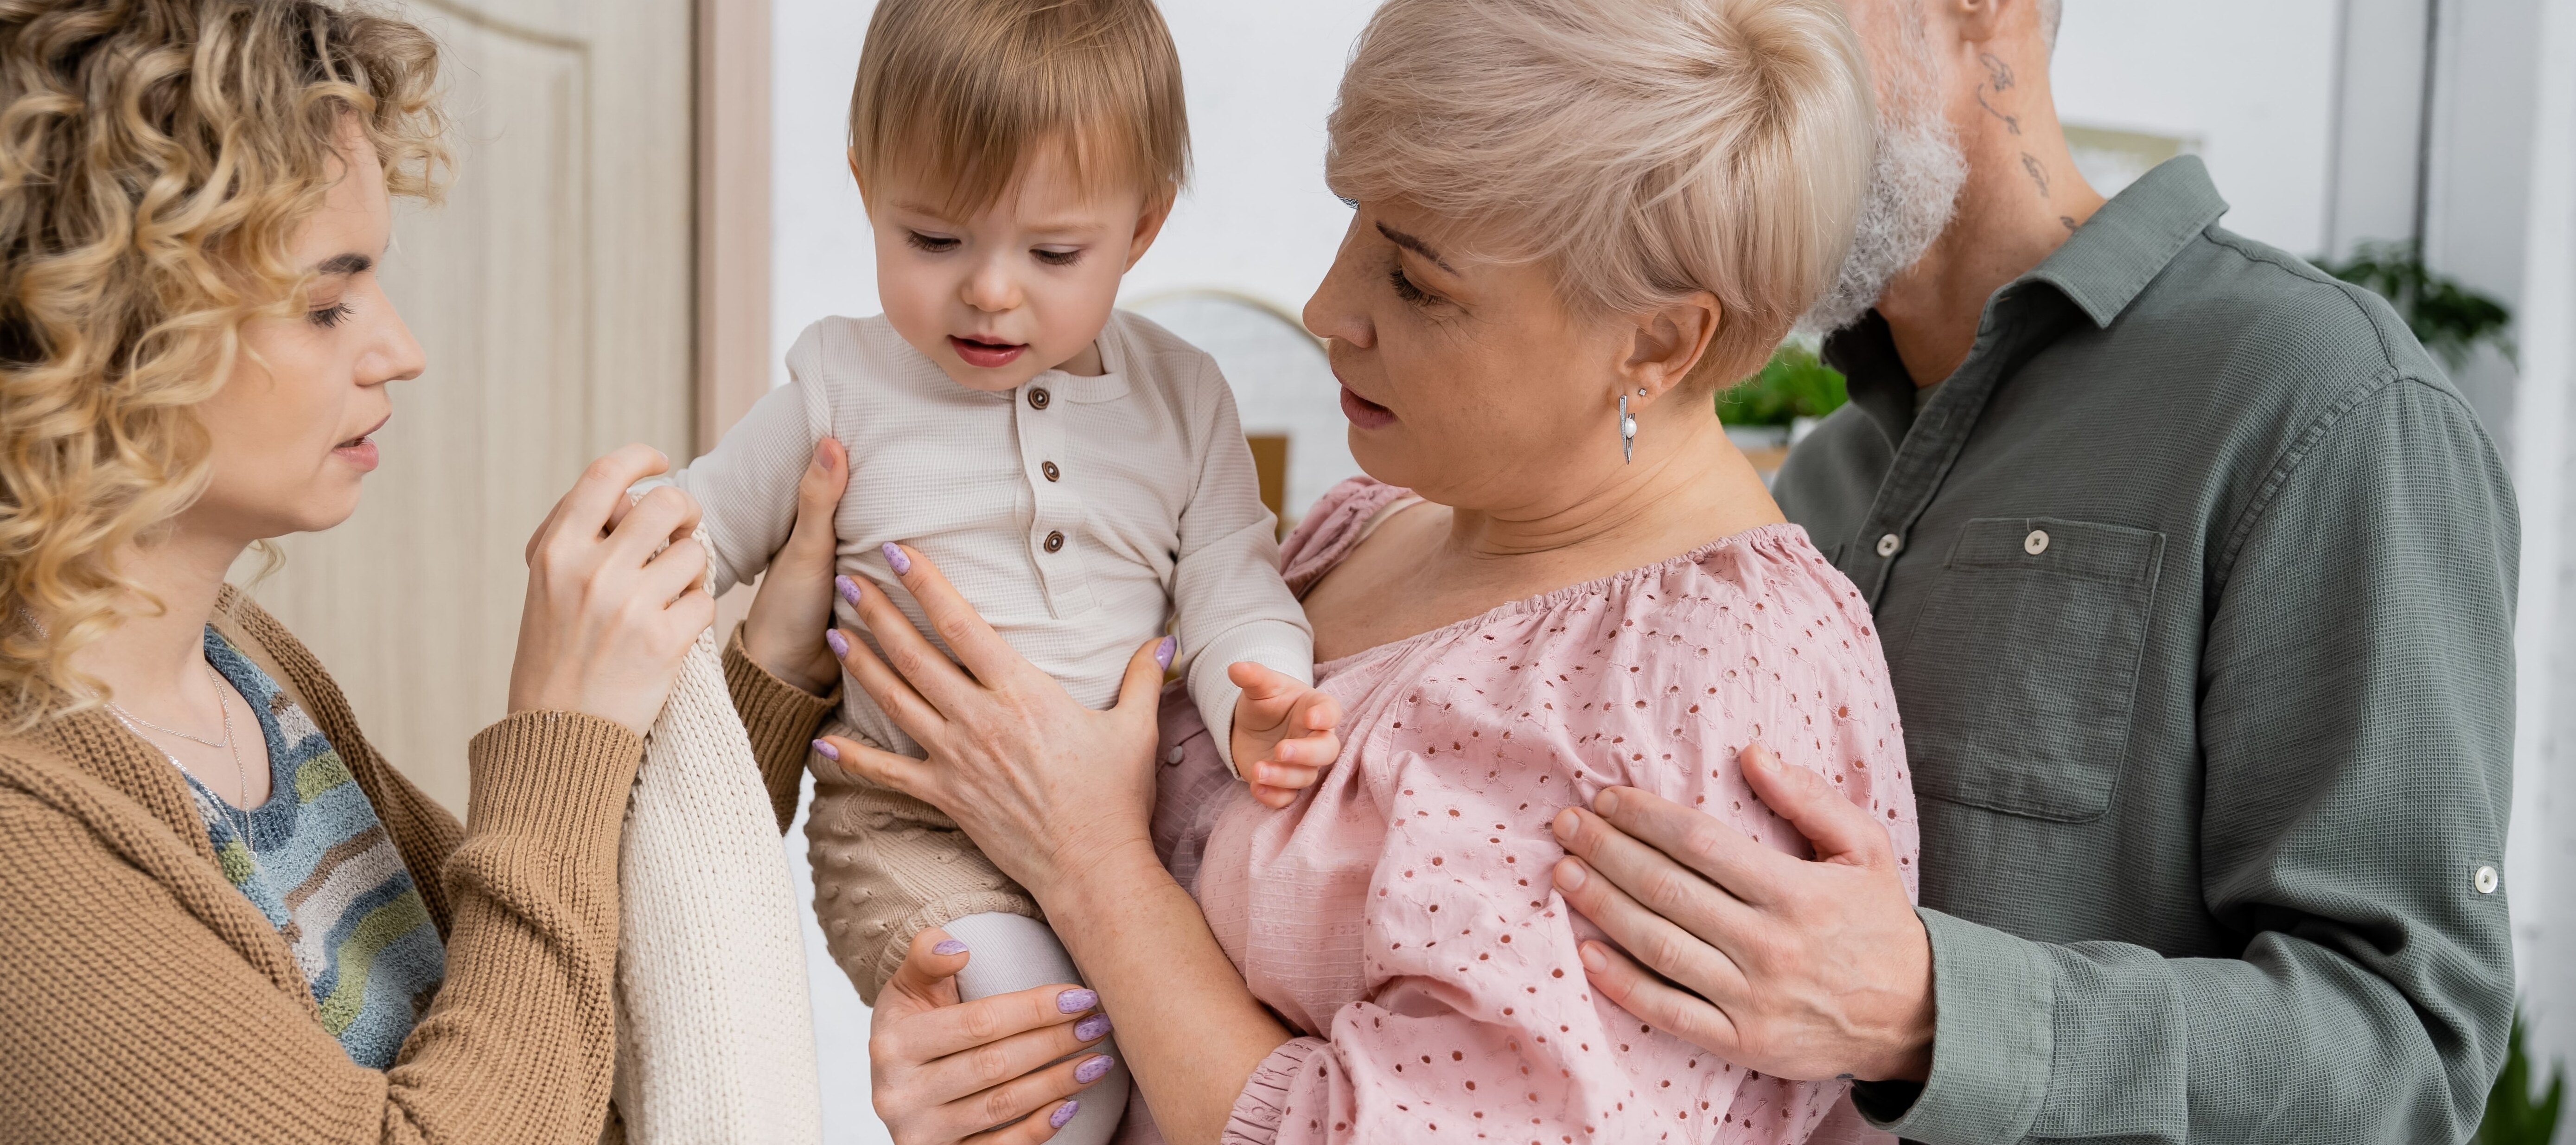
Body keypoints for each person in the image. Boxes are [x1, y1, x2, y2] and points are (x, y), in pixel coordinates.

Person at [804, 0, 1921, 1142]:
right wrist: (976, 1058)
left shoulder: (1695, 695)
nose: (1328, 307)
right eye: (1355, 225)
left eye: (1420, 282)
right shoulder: (1373, 524)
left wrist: (1090, 861)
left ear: (1657, 342)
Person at [1546, 1, 2520, 1143]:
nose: (1724, 75)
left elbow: (2407, 1057)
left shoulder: (2327, 401)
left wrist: (1926, 1009)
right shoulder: (1814, 481)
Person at [0, 2, 849, 1139]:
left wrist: (772, 673)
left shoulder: (235, 666)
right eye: (326, 302)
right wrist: (560, 727)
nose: (401, 348)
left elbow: (558, 987)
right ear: (107, 322)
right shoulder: (27, 843)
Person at [673, 11, 1339, 1133]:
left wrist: (1256, 691)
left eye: (1052, 253)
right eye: (933, 240)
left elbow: (1232, 576)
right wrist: (629, 539)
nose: (989, 292)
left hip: (1130, 829)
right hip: (912, 831)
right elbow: (705, 515)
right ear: (866, 185)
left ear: (1141, 229)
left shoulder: (1184, 396)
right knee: (1055, 1062)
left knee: (1195, 1027)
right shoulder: (843, 383)